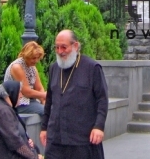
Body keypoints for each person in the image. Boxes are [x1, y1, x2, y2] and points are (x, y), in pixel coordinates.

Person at [40, 29, 108, 159]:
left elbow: (102, 100)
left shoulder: (92, 68)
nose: (60, 51)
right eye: (57, 47)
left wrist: (99, 126)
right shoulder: (54, 68)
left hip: (82, 139)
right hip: (56, 139)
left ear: (75, 46)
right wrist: (44, 128)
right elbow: (49, 101)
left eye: (64, 47)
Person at [0, 81, 40, 159]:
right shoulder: (3, 111)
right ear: (12, 93)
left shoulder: (4, 107)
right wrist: (34, 157)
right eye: (19, 92)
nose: (21, 96)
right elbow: (15, 142)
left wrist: (29, 143)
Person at [4, 41, 46, 115]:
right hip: (17, 103)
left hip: (31, 101)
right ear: (27, 56)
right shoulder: (17, 67)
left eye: (38, 58)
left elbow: (39, 88)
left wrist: (43, 101)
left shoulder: (32, 67)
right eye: (33, 58)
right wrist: (43, 95)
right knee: (47, 112)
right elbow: (26, 91)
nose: (36, 61)